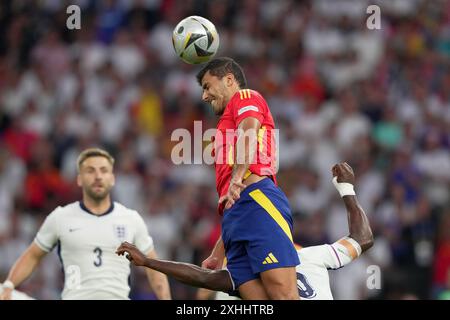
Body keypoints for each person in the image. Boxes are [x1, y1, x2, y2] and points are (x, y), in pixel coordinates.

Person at [116, 162, 374, 300]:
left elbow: (204, 277)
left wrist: (149, 262)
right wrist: (347, 189)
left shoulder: (256, 269)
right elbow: (363, 238)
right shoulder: (314, 256)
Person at [0, 148, 171, 300]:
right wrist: (8, 286)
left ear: (112, 179)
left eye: (103, 171)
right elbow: (33, 255)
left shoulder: (130, 219)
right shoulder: (61, 217)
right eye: (90, 171)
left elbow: (153, 267)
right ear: (80, 179)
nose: (97, 177)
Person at [196, 57, 300, 299]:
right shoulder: (224, 124)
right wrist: (218, 252)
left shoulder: (246, 97)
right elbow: (232, 196)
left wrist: (237, 176)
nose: (204, 96)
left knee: (284, 295)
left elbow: (249, 132)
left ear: (229, 80)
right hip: (236, 218)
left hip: (258, 200)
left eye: (207, 86)